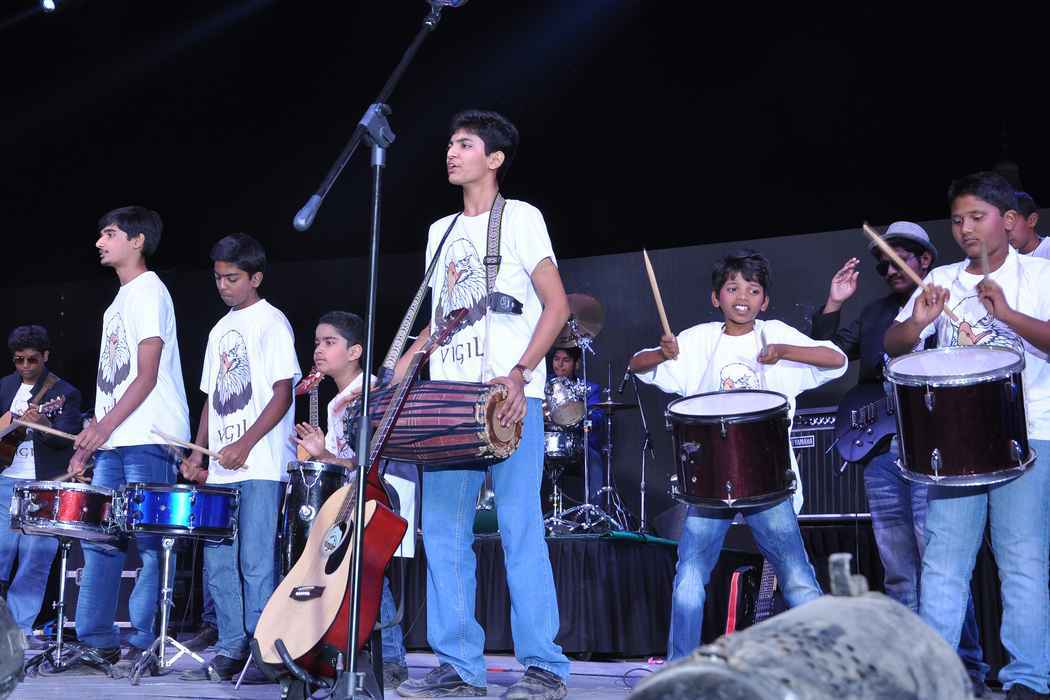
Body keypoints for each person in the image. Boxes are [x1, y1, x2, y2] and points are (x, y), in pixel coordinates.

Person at [394, 110, 571, 699]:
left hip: (509, 399)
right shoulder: (439, 231)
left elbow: (557, 306)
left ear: (494, 159)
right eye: (450, 143)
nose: (451, 152)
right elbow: (445, 314)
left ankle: (545, 666)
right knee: (444, 535)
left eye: (465, 144)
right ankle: (459, 666)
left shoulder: (521, 218)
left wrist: (520, 374)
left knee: (520, 530)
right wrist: (409, 356)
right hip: (449, 402)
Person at [628, 249, 847, 660]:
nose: (742, 296)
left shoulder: (774, 334)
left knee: (797, 577)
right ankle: (680, 666)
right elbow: (637, 364)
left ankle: (825, 664)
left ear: (765, 301)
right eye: (732, 288)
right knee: (689, 577)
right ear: (716, 297)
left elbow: (836, 359)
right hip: (709, 484)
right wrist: (662, 354)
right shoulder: (698, 341)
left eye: (753, 289)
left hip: (768, 481)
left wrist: (785, 351)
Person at [885, 172, 1050, 699]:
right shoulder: (943, 280)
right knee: (943, 563)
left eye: (977, 217)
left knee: (1022, 561)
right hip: (954, 441)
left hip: (1030, 432)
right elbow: (894, 344)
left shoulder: (1041, 275)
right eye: (958, 220)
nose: (965, 229)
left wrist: (1009, 315)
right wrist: (918, 323)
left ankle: (1028, 679)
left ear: (1008, 219)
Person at [811, 223, 988, 694]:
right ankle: (912, 675)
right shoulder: (874, 314)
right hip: (883, 452)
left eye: (900, 260)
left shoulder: (955, 300)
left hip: (937, 449)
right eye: (883, 264)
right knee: (898, 570)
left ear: (926, 260)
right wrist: (834, 304)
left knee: (941, 565)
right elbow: (827, 354)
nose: (890, 270)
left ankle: (965, 670)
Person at [52, 206, 190, 675]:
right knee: (101, 540)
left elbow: (146, 375)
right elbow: (113, 381)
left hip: (149, 436)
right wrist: (90, 438)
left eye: (109, 234)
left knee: (149, 544)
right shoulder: (117, 302)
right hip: (115, 437)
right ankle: (97, 642)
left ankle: (145, 644)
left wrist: (104, 428)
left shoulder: (149, 290)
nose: (99, 242)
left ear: (137, 240)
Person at [179, 233, 300, 682]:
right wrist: (197, 453)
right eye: (218, 278)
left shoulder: (272, 322)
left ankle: (263, 652)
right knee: (218, 564)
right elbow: (211, 399)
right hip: (221, 468)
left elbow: (283, 394)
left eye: (232, 278)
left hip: (261, 466)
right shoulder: (218, 330)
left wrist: (245, 443)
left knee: (255, 562)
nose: (223, 285)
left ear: (256, 278)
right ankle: (231, 647)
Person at [291, 310, 414, 689]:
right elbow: (343, 463)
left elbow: (370, 460)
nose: (319, 350)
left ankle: (391, 659)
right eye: (317, 342)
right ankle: (344, 652)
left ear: (355, 351)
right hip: (355, 497)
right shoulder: (338, 401)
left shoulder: (371, 394)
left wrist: (325, 455)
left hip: (382, 495)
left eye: (330, 342)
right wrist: (318, 454)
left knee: (370, 572)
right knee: (354, 572)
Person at [0, 325, 82, 647]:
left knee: (35, 557)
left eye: (32, 360)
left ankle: (18, 630)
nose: (25, 366)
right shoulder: (5, 386)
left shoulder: (64, 393)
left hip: (42, 486)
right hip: (5, 481)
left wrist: (45, 423)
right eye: (19, 360)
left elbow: (69, 439)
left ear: (45, 356)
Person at [548, 347, 607, 504]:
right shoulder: (543, 385)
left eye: (566, 360)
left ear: (577, 364)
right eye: (556, 359)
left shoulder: (588, 388)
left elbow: (597, 418)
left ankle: (593, 513)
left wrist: (578, 413)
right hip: (548, 444)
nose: (559, 364)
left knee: (594, 461)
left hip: (579, 446)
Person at [1007, 191, 1050, 259]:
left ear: (1032, 220)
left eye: (1011, 221)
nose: (1006, 229)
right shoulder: (1007, 256)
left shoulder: (1047, 248)